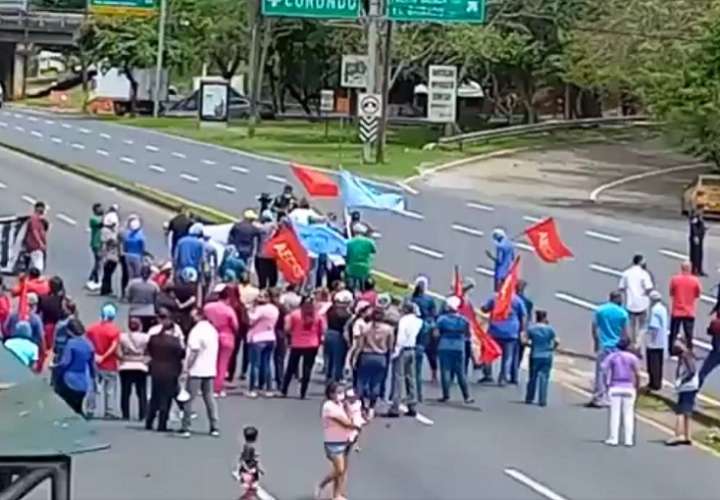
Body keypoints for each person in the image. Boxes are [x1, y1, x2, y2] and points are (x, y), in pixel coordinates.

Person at [180, 307, 220, 438]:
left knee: (189, 399)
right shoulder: (212, 330)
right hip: (209, 368)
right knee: (209, 398)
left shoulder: (196, 331)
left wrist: (187, 368)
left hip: (196, 370)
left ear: (198, 316)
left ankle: (186, 426)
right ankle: (214, 426)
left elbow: (194, 351)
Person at [316, 382, 358, 500]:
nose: (341, 395)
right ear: (331, 394)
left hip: (345, 441)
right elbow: (345, 423)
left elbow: (350, 417)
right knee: (339, 469)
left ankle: (337, 495)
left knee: (343, 471)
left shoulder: (341, 405)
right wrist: (355, 425)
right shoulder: (328, 406)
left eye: (342, 392)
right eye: (338, 392)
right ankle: (322, 484)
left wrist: (349, 408)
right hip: (333, 443)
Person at [588, 291, 629, 408]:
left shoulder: (600, 310)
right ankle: (611, 397)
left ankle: (600, 396)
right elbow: (625, 332)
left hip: (603, 345)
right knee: (615, 372)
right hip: (617, 346)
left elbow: (594, 327)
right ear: (617, 299)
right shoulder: (622, 313)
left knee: (601, 372)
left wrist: (596, 342)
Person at [146, 317, 185, 432]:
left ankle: (149, 421)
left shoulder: (154, 339)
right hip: (170, 371)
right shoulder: (175, 342)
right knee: (166, 398)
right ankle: (162, 424)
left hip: (156, 370)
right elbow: (182, 354)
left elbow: (149, 351)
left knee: (155, 396)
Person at [282, 296, 325, 399]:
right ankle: (303, 392)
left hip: (297, 343)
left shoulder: (294, 315)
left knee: (291, 367)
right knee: (307, 368)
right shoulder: (318, 316)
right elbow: (322, 331)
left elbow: (287, 329)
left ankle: (284, 389)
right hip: (312, 344)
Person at [480, 292, 526, 386]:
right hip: (511, 332)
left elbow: (485, 309)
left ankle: (487, 374)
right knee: (507, 357)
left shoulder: (495, 298)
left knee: (488, 351)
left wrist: (483, 308)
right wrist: (522, 330)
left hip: (495, 330)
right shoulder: (517, 300)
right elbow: (523, 315)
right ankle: (503, 378)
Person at [602, 336, 640, 447]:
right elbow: (637, 374)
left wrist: (606, 384)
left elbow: (604, 370)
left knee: (615, 414)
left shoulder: (612, 357)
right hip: (629, 387)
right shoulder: (632, 358)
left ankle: (614, 438)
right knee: (628, 414)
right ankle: (629, 439)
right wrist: (637, 386)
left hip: (615, 386)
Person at [86, 303, 121, 419]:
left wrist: (95, 355)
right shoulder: (114, 331)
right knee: (109, 389)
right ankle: (109, 411)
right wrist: (104, 356)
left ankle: (90, 409)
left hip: (94, 362)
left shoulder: (92, 329)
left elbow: (88, 343)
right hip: (109, 364)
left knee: (93, 387)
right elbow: (114, 346)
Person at [53, 318, 96, 415]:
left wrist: (55, 367)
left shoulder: (70, 344)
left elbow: (65, 362)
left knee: (68, 406)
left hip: (69, 380)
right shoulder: (89, 344)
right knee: (78, 407)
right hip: (83, 382)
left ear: (69, 331)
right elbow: (92, 366)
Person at [435, 297, 473, 403]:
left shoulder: (441, 319)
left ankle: (446, 395)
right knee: (461, 372)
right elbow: (468, 334)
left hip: (444, 346)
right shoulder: (464, 320)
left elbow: (436, 334)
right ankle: (466, 396)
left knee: (445, 371)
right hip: (459, 346)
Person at [388, 301, 422, 417]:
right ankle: (412, 404)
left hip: (402, 350)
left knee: (398, 378)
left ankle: (395, 407)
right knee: (410, 378)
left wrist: (396, 351)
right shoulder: (418, 321)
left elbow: (401, 338)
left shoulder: (403, 321)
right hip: (412, 349)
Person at [204, 285, 239, 397]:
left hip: (210, 334)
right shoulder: (229, 310)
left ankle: (206, 387)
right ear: (228, 298)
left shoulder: (208, 307)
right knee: (222, 364)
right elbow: (235, 325)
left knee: (210, 362)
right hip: (226, 335)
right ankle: (217, 388)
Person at [246, 290, 279, 398]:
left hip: (258, 337)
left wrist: (250, 310)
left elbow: (251, 320)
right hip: (271, 337)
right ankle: (268, 388)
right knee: (267, 364)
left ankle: (253, 389)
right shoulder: (274, 309)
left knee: (255, 364)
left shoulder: (260, 309)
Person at [666, 341, 699, 446]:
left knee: (680, 411)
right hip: (691, 386)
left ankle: (678, 435)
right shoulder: (687, 355)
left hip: (687, 387)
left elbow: (691, 371)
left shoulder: (685, 356)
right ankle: (688, 436)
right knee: (687, 412)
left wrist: (682, 382)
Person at [523, 310, 558, 407]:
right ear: (545, 318)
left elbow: (524, 340)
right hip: (547, 355)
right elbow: (556, 341)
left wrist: (530, 345)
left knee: (532, 377)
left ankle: (529, 397)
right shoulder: (550, 329)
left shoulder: (532, 329)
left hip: (535, 354)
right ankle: (542, 400)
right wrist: (552, 348)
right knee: (544, 378)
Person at [118, 317, 149, 421]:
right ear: (140, 326)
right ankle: (143, 414)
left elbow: (117, 351)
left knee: (125, 392)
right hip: (140, 365)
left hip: (126, 365)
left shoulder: (122, 337)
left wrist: (122, 358)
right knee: (141, 392)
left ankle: (125, 414)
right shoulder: (145, 337)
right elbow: (149, 351)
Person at [618, 254, 653, 344]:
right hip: (642, 304)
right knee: (643, 326)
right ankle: (638, 342)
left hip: (630, 304)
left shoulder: (626, 273)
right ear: (641, 262)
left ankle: (633, 343)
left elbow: (621, 288)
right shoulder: (644, 274)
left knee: (632, 326)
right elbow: (649, 288)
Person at [411, 276, 437, 395]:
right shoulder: (429, 300)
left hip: (415, 326)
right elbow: (434, 314)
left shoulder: (411, 298)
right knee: (430, 351)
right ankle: (434, 373)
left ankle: (414, 372)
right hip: (427, 327)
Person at [669, 261, 701, 351]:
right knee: (689, 333)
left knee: (674, 332)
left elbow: (671, 292)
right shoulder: (695, 280)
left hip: (677, 310)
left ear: (681, 268)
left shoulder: (675, 279)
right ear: (690, 269)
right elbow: (697, 294)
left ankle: (671, 349)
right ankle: (689, 348)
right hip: (689, 311)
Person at [324, 290, 353, 383]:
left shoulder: (330, 309)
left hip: (328, 333)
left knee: (329, 358)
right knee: (338, 359)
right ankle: (336, 378)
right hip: (338, 336)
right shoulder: (345, 314)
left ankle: (328, 376)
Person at [37, 276, 65, 367]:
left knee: (46, 347)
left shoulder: (43, 298)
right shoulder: (62, 300)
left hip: (47, 325)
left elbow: (38, 311)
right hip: (59, 326)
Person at [645, 290, 669, 392]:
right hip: (662, 340)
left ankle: (653, 383)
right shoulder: (663, 308)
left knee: (652, 364)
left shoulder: (654, 310)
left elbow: (653, 326)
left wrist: (649, 340)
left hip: (654, 342)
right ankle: (657, 382)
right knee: (659, 364)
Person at [127, 264, 160, 331]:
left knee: (134, 331)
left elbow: (128, 296)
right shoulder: (154, 285)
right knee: (147, 331)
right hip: (149, 311)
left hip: (134, 310)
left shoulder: (132, 283)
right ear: (149, 273)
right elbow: (157, 299)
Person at [513, 279, 534, 384]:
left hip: (514, 328)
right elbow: (528, 317)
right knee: (519, 351)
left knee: (513, 352)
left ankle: (511, 372)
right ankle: (514, 372)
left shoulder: (510, 299)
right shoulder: (528, 302)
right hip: (523, 329)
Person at [345, 227, 376, 292]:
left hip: (352, 267)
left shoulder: (350, 242)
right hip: (364, 267)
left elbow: (346, 253)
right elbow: (374, 251)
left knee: (350, 286)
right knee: (364, 286)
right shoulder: (369, 242)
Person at [233, 426, 263, 494]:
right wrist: (248, 469)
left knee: (250, 487)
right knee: (250, 487)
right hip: (249, 471)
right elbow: (244, 460)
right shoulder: (249, 448)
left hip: (248, 471)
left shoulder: (247, 446)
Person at [121, 214, 146, 288]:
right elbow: (142, 247)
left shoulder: (127, 234)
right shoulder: (140, 235)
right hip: (137, 256)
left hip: (127, 256)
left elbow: (124, 246)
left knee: (130, 276)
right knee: (137, 275)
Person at [23, 201, 49, 273]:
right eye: (43, 209)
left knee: (32, 267)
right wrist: (40, 243)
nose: (44, 211)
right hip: (35, 247)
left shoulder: (41, 220)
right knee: (38, 268)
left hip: (35, 248)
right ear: (39, 209)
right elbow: (35, 232)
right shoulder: (34, 219)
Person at [99, 210, 120, 297]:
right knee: (107, 274)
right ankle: (105, 289)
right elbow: (105, 245)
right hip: (110, 257)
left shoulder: (112, 232)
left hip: (112, 257)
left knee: (108, 274)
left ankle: (107, 289)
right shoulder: (107, 233)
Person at [255, 211, 278, 289]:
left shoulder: (260, 228)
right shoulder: (274, 227)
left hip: (261, 255)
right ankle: (271, 291)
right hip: (272, 255)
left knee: (262, 277)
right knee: (273, 277)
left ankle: (262, 290)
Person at [87, 203, 105, 290]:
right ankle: (96, 280)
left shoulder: (100, 218)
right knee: (99, 262)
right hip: (96, 243)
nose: (101, 210)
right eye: (99, 209)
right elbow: (101, 224)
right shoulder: (93, 219)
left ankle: (91, 278)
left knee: (98, 262)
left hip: (101, 243)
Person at [699, 312, 720, 386]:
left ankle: (691, 393)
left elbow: (709, 331)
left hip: (716, 353)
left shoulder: (716, 323)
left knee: (702, 373)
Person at [689, 206, 707, 276]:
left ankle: (700, 270)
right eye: (701, 210)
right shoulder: (694, 217)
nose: (702, 211)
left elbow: (700, 226)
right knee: (695, 255)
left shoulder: (699, 217)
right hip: (695, 239)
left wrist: (704, 229)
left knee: (700, 255)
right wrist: (695, 236)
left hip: (700, 238)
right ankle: (694, 270)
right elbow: (693, 227)